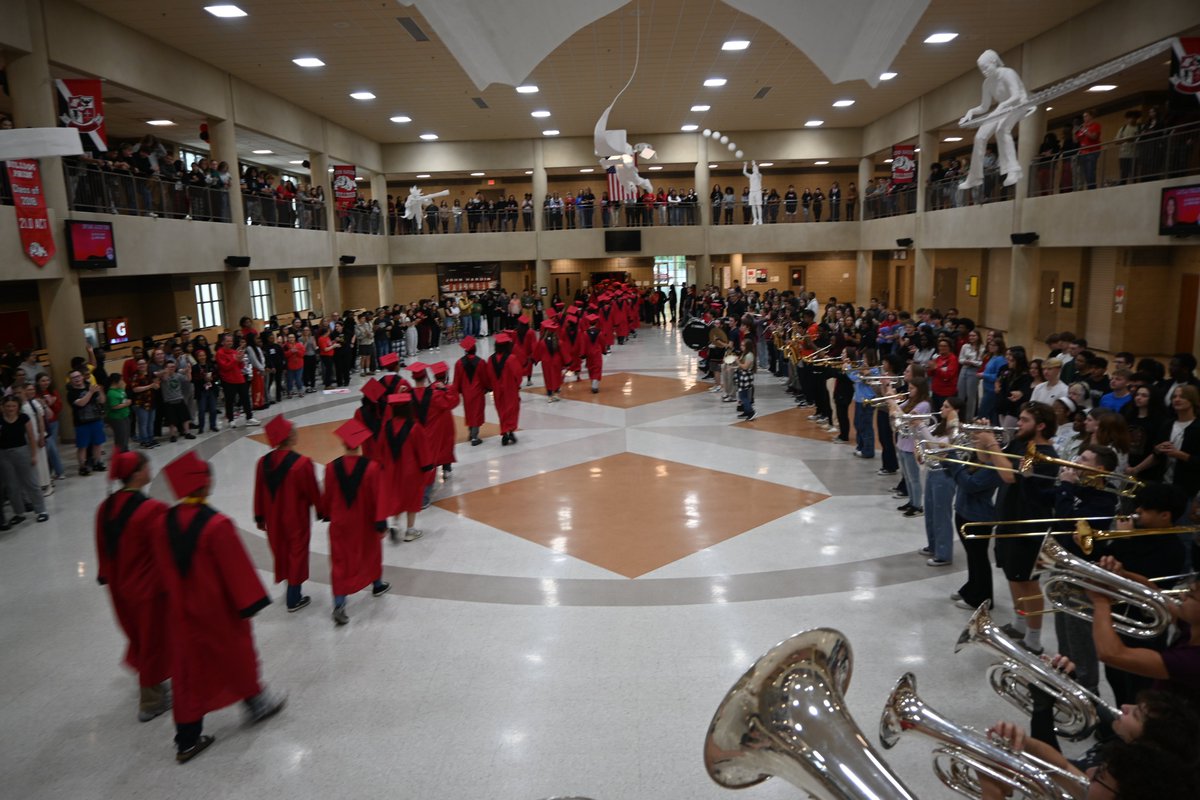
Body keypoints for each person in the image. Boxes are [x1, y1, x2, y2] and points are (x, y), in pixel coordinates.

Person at [155, 451, 285, 763]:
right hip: (218, 612)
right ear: (206, 484)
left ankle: (186, 740)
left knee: (187, 675)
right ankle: (257, 704)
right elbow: (236, 572)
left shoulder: (162, 523)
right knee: (238, 658)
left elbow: (161, 568)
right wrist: (249, 606)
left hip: (181, 613)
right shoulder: (217, 525)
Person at [972, 402, 1059, 655]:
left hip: (1028, 524)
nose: (1018, 424)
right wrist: (981, 439)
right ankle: (1020, 624)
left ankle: (1033, 640)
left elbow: (1011, 475)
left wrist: (991, 442)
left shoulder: (1043, 453)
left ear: (1041, 425)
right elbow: (987, 460)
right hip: (1009, 518)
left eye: (1024, 420)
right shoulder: (1021, 442)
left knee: (1028, 582)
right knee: (1012, 576)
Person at [95, 451, 171, 721]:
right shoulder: (152, 510)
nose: (151, 469)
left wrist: (107, 576)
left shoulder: (105, 508)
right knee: (153, 640)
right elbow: (165, 552)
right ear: (138, 473)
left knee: (140, 636)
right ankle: (151, 702)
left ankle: (155, 682)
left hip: (120, 588)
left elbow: (103, 551)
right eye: (147, 466)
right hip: (149, 588)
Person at [322, 419, 391, 626]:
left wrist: (327, 514)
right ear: (360, 444)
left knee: (340, 562)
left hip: (341, 523)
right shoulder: (372, 468)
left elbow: (328, 497)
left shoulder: (331, 468)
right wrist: (381, 523)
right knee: (370, 553)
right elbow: (379, 498)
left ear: (343, 443)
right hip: (365, 522)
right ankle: (377, 585)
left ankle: (339, 603)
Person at [253, 416, 320, 612]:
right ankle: (294, 597)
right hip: (296, 518)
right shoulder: (302, 464)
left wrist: (259, 517)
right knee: (297, 553)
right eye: (294, 429)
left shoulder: (262, 463)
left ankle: (289, 587)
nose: (296, 431)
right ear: (289, 436)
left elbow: (259, 491)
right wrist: (323, 510)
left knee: (281, 550)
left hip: (273, 518)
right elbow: (313, 492)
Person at [958, 50, 1029, 192]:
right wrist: (971, 112)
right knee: (979, 136)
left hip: (1019, 104)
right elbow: (984, 107)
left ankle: (1013, 170)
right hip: (1002, 108)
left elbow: (1016, 95)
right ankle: (974, 178)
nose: (984, 71)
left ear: (994, 62)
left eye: (986, 67)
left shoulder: (1008, 73)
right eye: (981, 69)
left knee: (1002, 130)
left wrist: (1003, 106)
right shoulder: (987, 83)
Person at [381, 392, 433, 543]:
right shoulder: (415, 427)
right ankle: (410, 530)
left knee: (396, 497)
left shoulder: (387, 427)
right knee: (412, 498)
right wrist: (426, 467)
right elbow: (422, 450)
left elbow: (382, 450)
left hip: (392, 470)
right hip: (411, 470)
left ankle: (395, 525)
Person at [0, 394, 49, 527]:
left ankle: (41, 511)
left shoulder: (23, 418)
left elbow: (31, 437)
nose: (10, 408)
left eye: (13, 406)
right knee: (12, 486)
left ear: (18, 407)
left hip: (22, 452)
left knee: (31, 483)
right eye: (8, 406)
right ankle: (19, 513)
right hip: (4, 455)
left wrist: (33, 455)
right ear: (3, 407)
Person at [66, 368, 107, 474]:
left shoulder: (90, 387)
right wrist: (90, 392)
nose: (77, 379)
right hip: (81, 423)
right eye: (74, 378)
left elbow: (101, 401)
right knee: (82, 446)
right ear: (70, 380)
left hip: (96, 420)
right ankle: (82, 467)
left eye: (78, 376)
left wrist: (101, 391)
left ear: (82, 377)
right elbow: (81, 403)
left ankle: (97, 462)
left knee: (98, 443)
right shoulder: (71, 393)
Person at [452, 336, 490, 446]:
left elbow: (456, 380)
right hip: (478, 392)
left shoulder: (459, 363)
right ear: (475, 349)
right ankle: (474, 437)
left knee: (469, 412)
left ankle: (471, 432)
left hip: (466, 392)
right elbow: (485, 378)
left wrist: (458, 391)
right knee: (477, 413)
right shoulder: (481, 362)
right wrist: (487, 388)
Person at [215, 334, 258, 428]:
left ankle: (249, 418)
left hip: (239, 378)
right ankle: (231, 420)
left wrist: (241, 360)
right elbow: (225, 367)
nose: (230, 343)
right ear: (223, 342)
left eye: (231, 341)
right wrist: (235, 359)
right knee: (230, 400)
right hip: (228, 380)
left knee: (245, 399)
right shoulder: (220, 353)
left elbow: (240, 366)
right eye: (228, 341)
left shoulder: (234, 351)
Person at [488, 332, 524, 445]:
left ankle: (504, 432)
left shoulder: (491, 359)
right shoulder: (511, 358)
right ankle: (511, 431)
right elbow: (518, 375)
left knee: (502, 411)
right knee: (512, 410)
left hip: (497, 391)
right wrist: (517, 385)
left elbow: (489, 375)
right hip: (510, 390)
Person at [533, 320, 567, 403]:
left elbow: (538, 353)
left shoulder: (542, 343)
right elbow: (564, 353)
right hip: (556, 362)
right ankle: (556, 394)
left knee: (548, 378)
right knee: (556, 377)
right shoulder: (559, 342)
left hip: (546, 363)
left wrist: (535, 360)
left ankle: (549, 396)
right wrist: (567, 362)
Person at [104, 372, 133, 452]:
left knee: (126, 434)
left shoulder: (120, 390)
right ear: (115, 382)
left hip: (125, 415)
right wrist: (126, 404)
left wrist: (126, 402)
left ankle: (125, 449)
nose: (122, 382)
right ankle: (120, 453)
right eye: (121, 380)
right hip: (117, 418)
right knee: (120, 436)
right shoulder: (111, 393)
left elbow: (123, 398)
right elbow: (114, 406)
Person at [582, 314, 605, 394]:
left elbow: (584, 345)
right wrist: (604, 351)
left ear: (588, 323)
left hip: (589, 354)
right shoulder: (600, 333)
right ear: (596, 323)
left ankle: (593, 382)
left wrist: (583, 354)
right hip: (597, 353)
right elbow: (602, 343)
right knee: (597, 368)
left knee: (591, 368)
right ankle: (595, 385)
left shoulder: (585, 333)